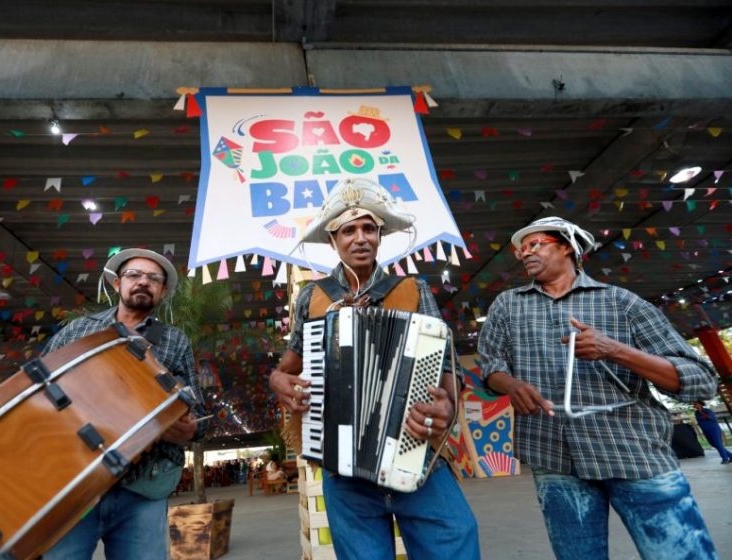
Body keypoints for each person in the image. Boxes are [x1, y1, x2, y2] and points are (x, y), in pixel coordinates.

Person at [477, 216, 719, 559]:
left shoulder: (622, 302)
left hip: (633, 454)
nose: (524, 253)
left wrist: (615, 350)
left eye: (536, 244)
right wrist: (511, 384)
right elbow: (490, 366)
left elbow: (700, 378)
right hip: (553, 457)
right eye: (520, 249)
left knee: (680, 554)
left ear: (567, 246)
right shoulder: (507, 305)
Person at [270, 177, 480, 560]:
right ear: (333, 240)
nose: (360, 237)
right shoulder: (312, 298)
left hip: (415, 448)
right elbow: (287, 366)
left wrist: (447, 406)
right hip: (341, 462)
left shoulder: (414, 290)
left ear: (380, 235)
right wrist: (279, 381)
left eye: (369, 228)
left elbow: (449, 368)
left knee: (457, 539)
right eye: (348, 230)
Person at [41, 248, 204, 560]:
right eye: (134, 275)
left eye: (153, 279)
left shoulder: (174, 340)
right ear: (117, 284)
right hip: (76, 483)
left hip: (143, 487)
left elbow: (194, 410)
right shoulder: (78, 330)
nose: (143, 282)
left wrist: (186, 428)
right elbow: (38, 387)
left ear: (163, 291)